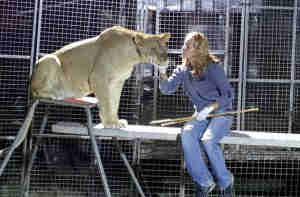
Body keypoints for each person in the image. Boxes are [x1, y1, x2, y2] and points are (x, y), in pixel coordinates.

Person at [158, 32, 235, 197]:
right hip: (200, 113)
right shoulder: (182, 70)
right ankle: (205, 182)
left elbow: (228, 95)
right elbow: (167, 89)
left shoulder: (213, 67)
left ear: (198, 49)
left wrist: (211, 108)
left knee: (208, 140)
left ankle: (226, 182)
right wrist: (162, 72)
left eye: (188, 45)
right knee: (187, 134)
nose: (183, 48)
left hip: (222, 112)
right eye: (184, 44)